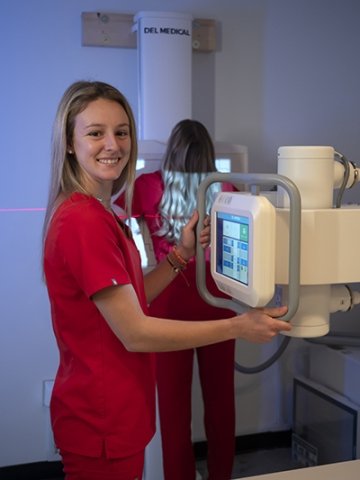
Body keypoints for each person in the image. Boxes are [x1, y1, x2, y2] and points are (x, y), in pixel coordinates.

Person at [42, 80, 291, 480]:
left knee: (176, 409)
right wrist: (239, 325)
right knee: (217, 404)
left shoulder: (106, 208)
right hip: (103, 415)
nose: (113, 145)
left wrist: (180, 255)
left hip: (119, 403)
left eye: (121, 132)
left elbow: (132, 298)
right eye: (95, 133)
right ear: (70, 143)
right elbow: (135, 332)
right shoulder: (85, 220)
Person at [115, 119, 240, 480]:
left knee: (172, 407)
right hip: (217, 295)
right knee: (220, 403)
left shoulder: (145, 185)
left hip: (167, 294)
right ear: (208, 153)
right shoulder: (226, 188)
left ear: (171, 149)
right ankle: (221, 476)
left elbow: (116, 214)